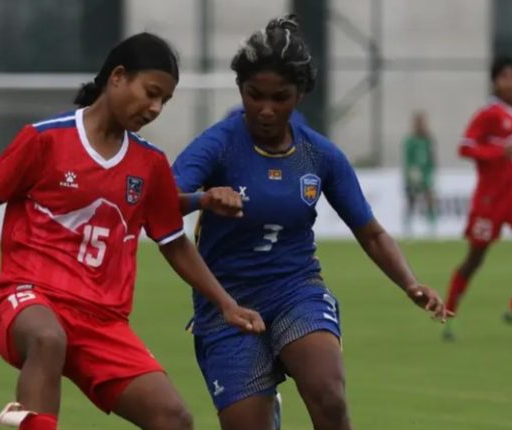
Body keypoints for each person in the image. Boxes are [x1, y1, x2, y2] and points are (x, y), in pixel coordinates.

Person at [0, 32, 264, 430]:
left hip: (103, 320)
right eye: (150, 93)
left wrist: (226, 303)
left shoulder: (149, 163)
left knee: (173, 418)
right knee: (47, 339)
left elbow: (171, 239)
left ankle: (26, 420)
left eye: (164, 100)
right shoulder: (45, 139)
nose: (155, 107)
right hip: (30, 297)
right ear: (117, 77)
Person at [173, 15, 450, 430]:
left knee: (328, 396)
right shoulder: (219, 144)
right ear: (240, 89)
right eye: (254, 95)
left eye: (280, 97)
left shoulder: (319, 155)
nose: (266, 109)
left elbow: (371, 233)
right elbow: (160, 202)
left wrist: (410, 283)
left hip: (295, 288)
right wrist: (203, 199)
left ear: (300, 93)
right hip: (226, 301)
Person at [443, 56, 512, 341]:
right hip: (490, 199)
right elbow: (465, 148)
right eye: (504, 77)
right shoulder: (488, 114)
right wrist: (499, 152)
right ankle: (449, 313)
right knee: (475, 259)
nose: (511, 82)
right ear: (495, 82)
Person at [403, 111, 437, 237]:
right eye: (420, 122)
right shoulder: (410, 141)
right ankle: (407, 225)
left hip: (426, 173)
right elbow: (407, 159)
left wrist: (432, 171)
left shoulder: (428, 139)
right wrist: (410, 173)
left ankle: (432, 225)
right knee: (411, 199)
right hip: (413, 174)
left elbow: (432, 157)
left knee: (429, 197)